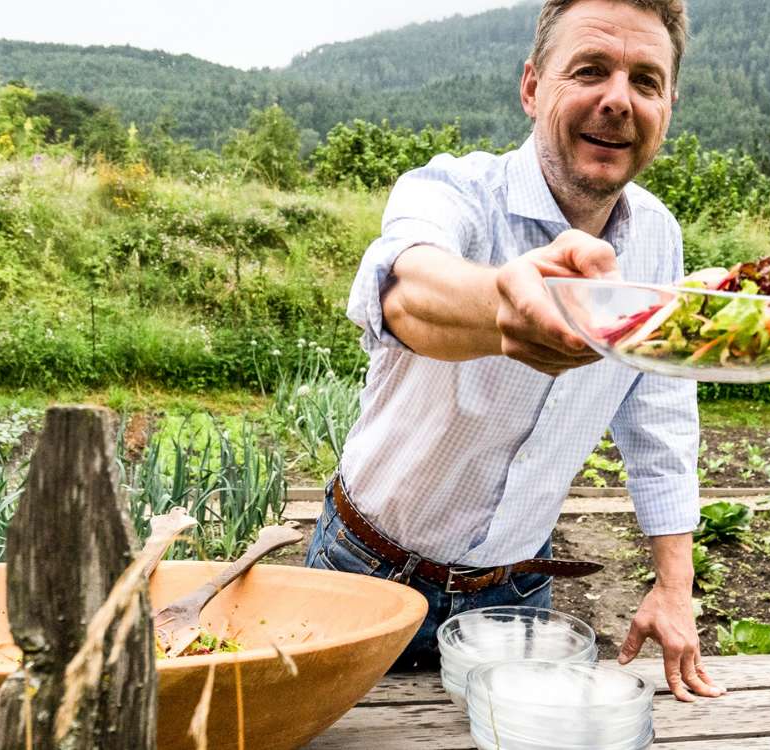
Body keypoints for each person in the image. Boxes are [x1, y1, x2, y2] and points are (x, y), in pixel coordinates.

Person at [301, 0, 726, 702]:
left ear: (669, 104)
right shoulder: (454, 191)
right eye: (590, 70)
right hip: (366, 572)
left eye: (645, 81)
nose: (618, 100)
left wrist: (674, 587)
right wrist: (506, 301)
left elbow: (662, 421)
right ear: (532, 87)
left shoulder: (659, 239)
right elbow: (404, 289)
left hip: (515, 597)